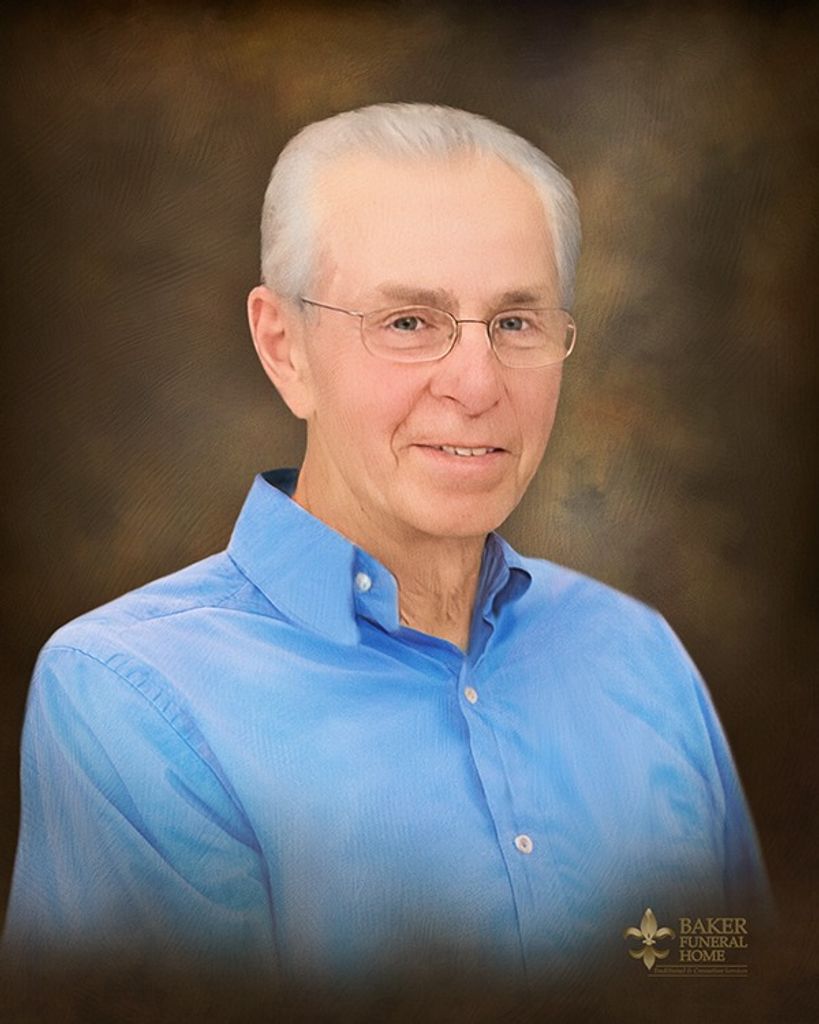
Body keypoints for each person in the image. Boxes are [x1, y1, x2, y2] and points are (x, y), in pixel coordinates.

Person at [2, 103, 771, 993]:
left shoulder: (639, 655)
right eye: (408, 321)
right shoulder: (132, 698)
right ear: (284, 348)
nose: (476, 385)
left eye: (515, 322)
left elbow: (732, 977)